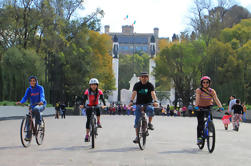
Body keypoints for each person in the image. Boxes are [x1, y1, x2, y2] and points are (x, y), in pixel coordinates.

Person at [128, 72, 158, 143]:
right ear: (140, 78)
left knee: (151, 109)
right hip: (139, 104)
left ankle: (150, 123)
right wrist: (131, 101)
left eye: (146, 77)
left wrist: (155, 101)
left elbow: (153, 93)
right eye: (143, 77)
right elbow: (134, 93)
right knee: (137, 121)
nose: (144, 78)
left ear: (148, 78)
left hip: (148, 103)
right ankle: (137, 137)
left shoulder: (150, 85)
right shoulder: (137, 85)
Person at [194, 76, 224, 145]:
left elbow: (216, 99)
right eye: (204, 82)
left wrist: (220, 107)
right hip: (200, 107)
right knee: (200, 122)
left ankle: (210, 127)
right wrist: (196, 106)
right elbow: (197, 98)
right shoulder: (199, 90)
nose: (205, 84)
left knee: (210, 118)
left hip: (208, 106)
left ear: (209, 83)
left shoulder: (212, 91)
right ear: (201, 83)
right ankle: (199, 138)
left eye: (207, 82)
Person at [16, 76, 47, 141]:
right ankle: (28, 136)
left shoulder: (40, 88)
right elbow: (25, 97)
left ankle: (39, 123)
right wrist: (21, 102)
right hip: (32, 105)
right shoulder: (29, 89)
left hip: (41, 104)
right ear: (29, 82)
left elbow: (42, 95)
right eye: (31, 81)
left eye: (34, 80)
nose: (32, 82)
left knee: (36, 109)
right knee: (28, 118)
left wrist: (41, 101)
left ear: (36, 81)